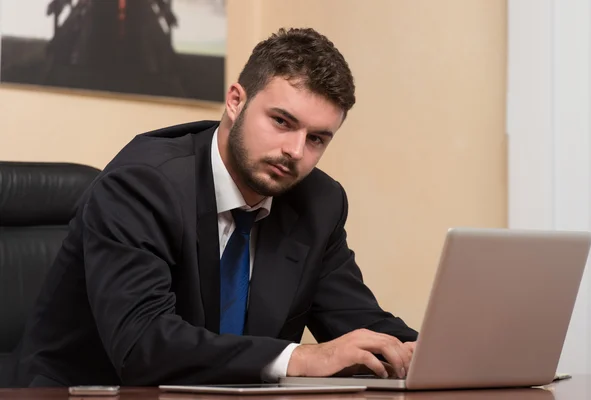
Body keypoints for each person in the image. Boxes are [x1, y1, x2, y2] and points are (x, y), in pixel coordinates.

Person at [2, 27, 418, 388]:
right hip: (80, 392)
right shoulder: (143, 183)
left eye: (317, 139)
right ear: (235, 101)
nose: (295, 151)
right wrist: (301, 358)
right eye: (282, 121)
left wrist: (422, 352)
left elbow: (358, 322)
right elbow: (143, 344)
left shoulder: (319, 202)